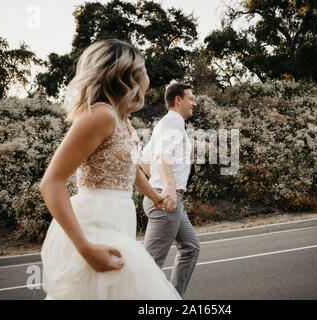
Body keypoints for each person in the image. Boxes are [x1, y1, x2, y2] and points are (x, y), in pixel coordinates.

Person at [39, 39, 181, 300]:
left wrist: (154, 195)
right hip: (94, 223)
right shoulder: (100, 115)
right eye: (144, 68)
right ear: (128, 74)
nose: (148, 74)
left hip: (118, 220)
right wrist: (84, 247)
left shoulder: (123, 120)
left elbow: (128, 167)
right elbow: (51, 182)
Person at [140, 83, 200, 298]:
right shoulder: (173, 122)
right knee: (150, 265)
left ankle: (173, 298)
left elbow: (145, 160)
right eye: (190, 98)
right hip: (167, 199)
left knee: (191, 247)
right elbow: (162, 156)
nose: (194, 103)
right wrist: (167, 186)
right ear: (178, 100)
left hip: (168, 197)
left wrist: (157, 181)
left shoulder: (163, 124)